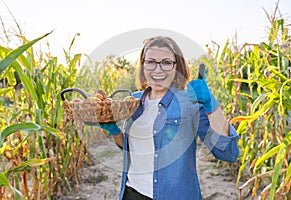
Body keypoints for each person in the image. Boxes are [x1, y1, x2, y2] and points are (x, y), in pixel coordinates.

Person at [86, 36, 239, 200]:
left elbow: (228, 153)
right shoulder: (133, 100)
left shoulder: (189, 103)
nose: (158, 70)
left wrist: (211, 104)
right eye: (151, 62)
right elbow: (134, 148)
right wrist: (115, 132)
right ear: (143, 66)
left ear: (177, 67)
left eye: (166, 62)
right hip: (131, 192)